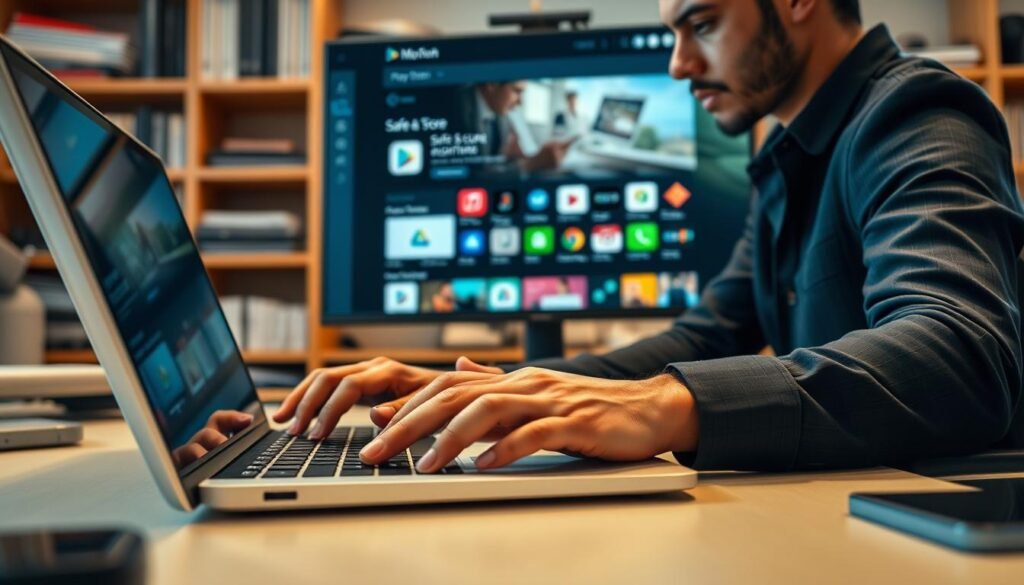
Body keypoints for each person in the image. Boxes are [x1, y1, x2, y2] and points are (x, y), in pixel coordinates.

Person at [276, 0, 1024, 475]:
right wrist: (498, 391)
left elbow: (960, 350)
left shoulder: (919, 115)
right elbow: (704, 336)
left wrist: (666, 404)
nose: (677, 64)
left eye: (700, 24)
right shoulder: (788, 159)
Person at [461, 81, 577, 172]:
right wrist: (529, 165)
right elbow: (473, 174)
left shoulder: (501, 112)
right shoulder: (458, 109)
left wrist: (533, 157)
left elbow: (503, 157)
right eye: (517, 91)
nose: (520, 102)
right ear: (492, 84)